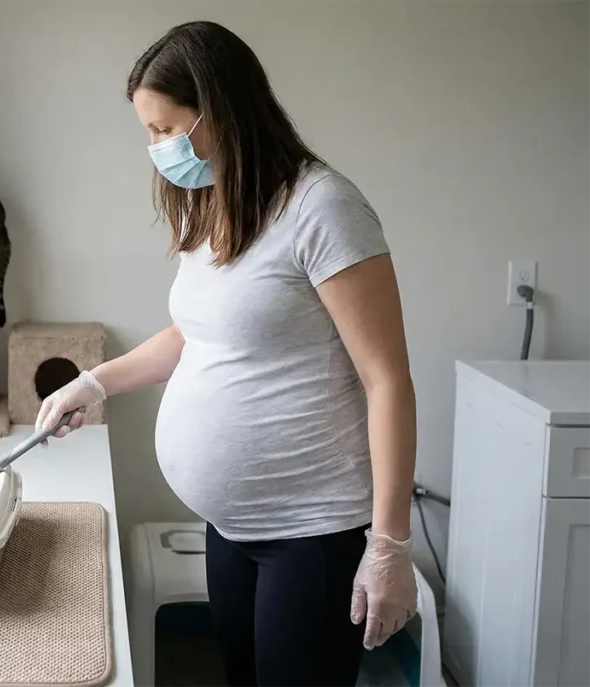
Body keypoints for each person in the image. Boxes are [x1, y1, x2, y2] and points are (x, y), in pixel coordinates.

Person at [36, 20, 418, 687]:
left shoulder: (325, 209)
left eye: (163, 129)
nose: (155, 147)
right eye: (148, 131)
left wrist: (389, 547)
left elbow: (386, 380)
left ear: (221, 111)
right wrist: (93, 383)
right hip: (229, 527)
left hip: (312, 533)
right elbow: (197, 334)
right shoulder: (215, 201)